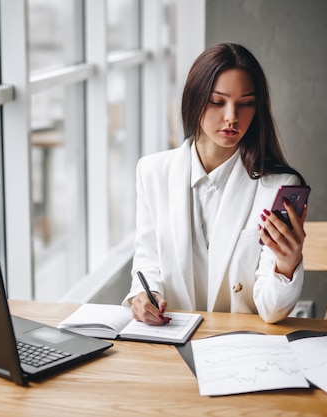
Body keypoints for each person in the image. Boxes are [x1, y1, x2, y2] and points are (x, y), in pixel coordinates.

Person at [122, 42, 308, 325]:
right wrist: (144, 297)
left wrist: (287, 265)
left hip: (242, 351)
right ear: (194, 100)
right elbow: (148, 260)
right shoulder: (152, 172)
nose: (232, 116)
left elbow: (272, 312)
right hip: (170, 341)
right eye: (218, 101)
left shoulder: (277, 187)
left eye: (246, 103)